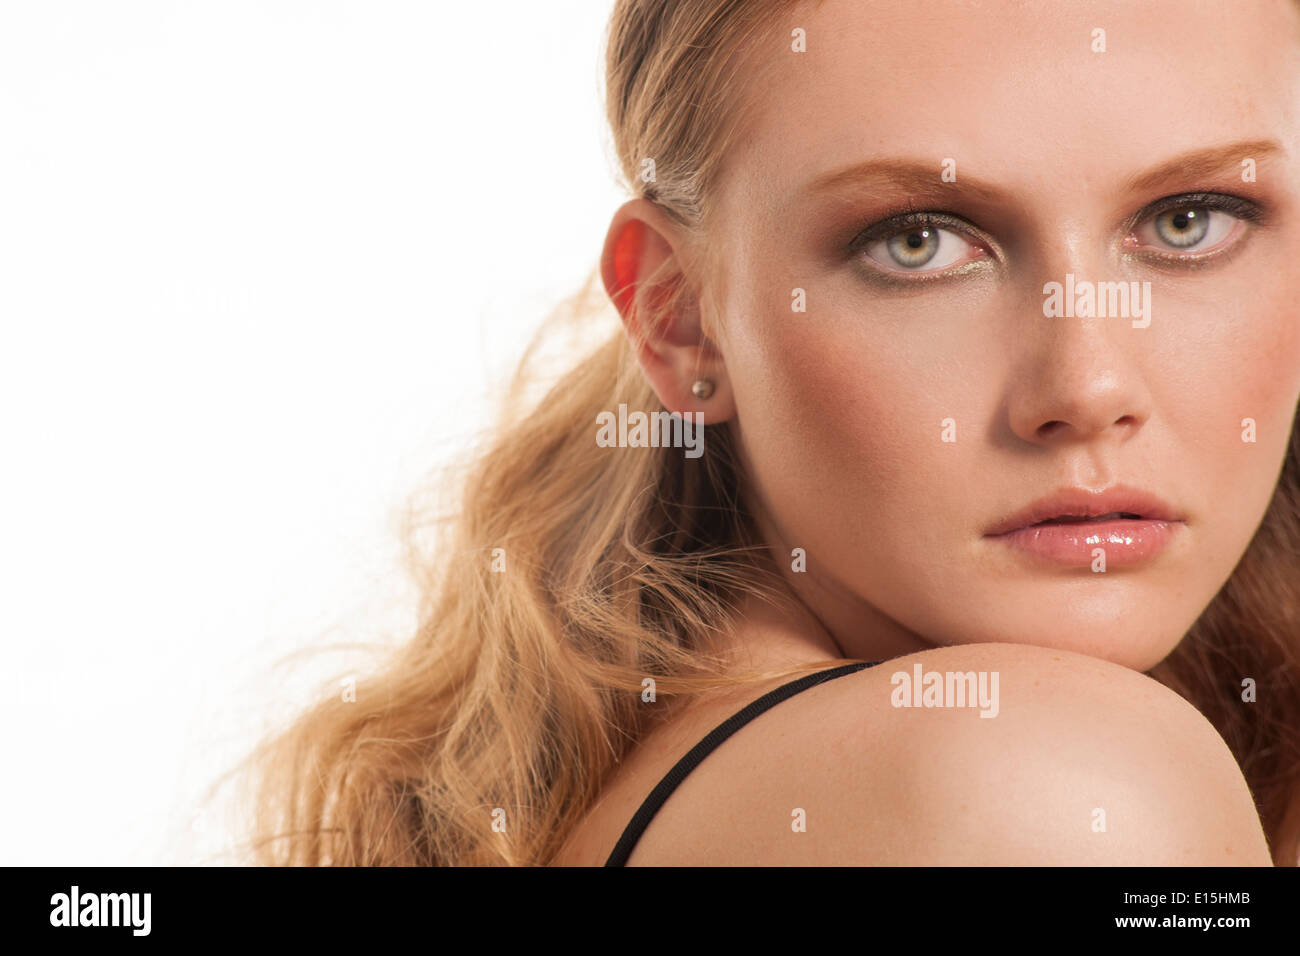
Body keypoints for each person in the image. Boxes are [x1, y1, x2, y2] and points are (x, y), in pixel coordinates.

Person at [241, 0, 1300, 866]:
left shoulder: (670, 776)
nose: (1086, 385)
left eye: (1190, 219)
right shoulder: (1051, 784)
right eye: (918, 240)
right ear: (680, 316)